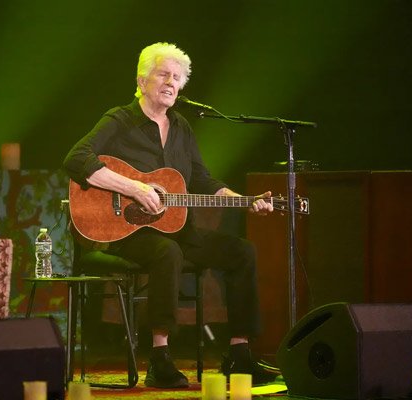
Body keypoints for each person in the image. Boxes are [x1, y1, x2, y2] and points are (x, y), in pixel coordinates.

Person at [63, 42, 277, 388]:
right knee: (168, 252)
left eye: (177, 78)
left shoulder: (181, 127)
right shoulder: (119, 120)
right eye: (163, 74)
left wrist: (244, 200)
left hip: (178, 229)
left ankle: (239, 355)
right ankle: (159, 357)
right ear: (141, 80)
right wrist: (136, 188)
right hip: (126, 233)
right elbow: (76, 159)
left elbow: (202, 179)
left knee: (242, 251)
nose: (171, 83)